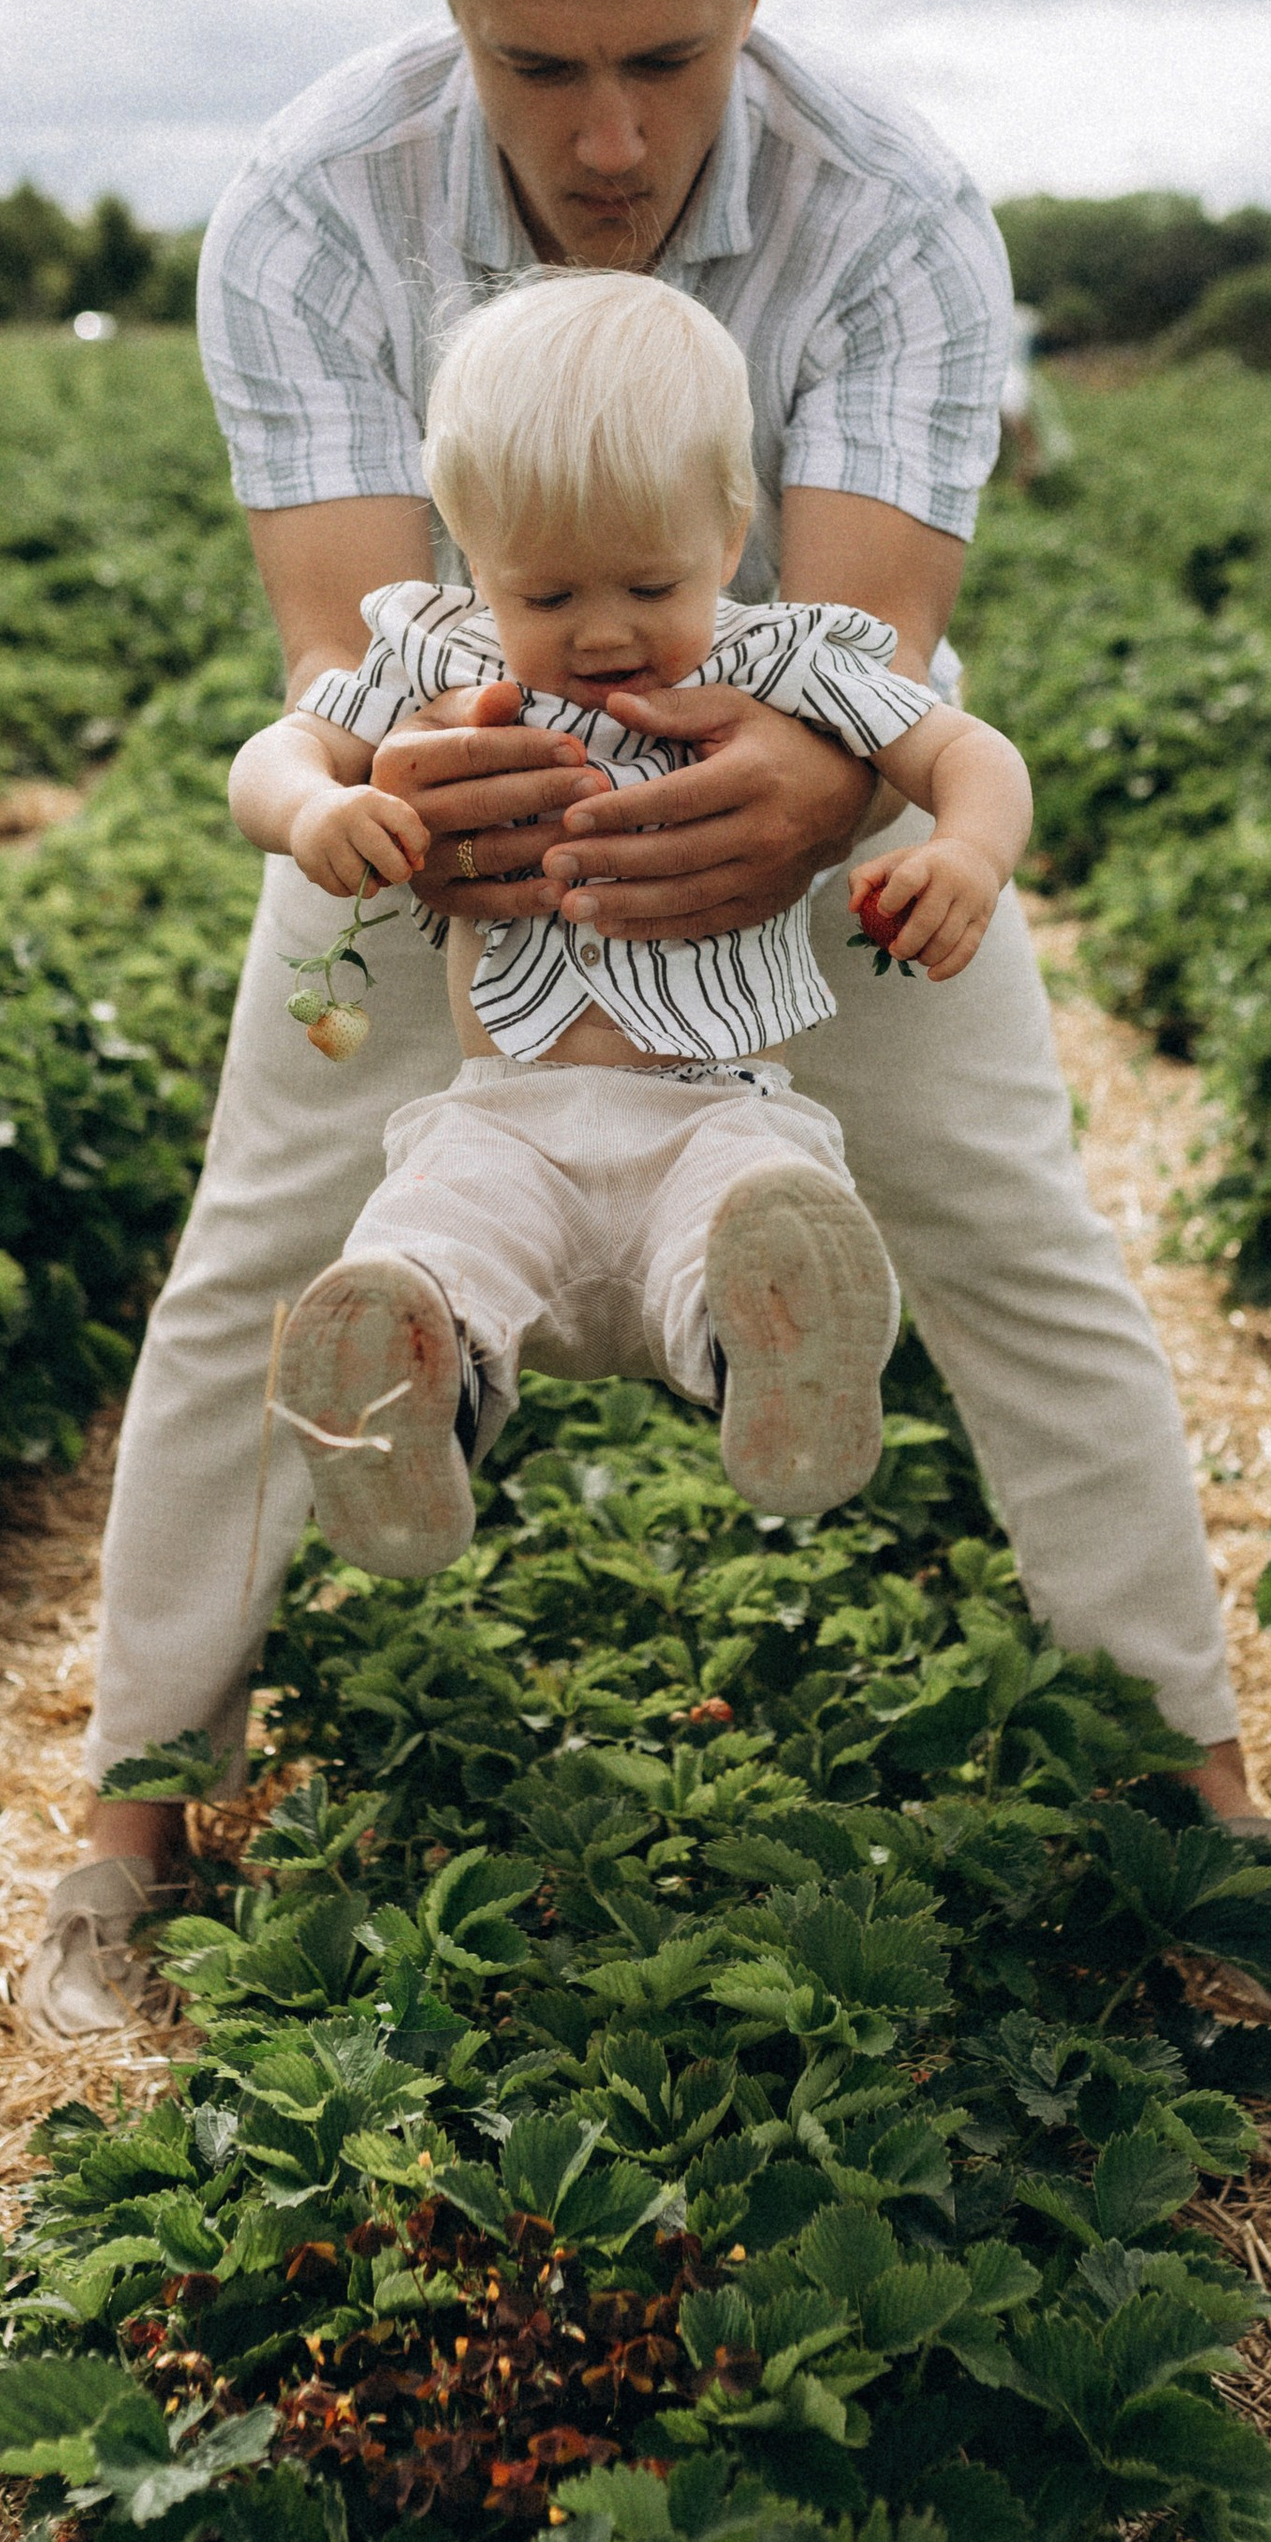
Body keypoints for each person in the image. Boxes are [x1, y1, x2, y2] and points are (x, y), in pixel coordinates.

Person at [21, 0, 1271, 2035]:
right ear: (448, 4)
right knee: (265, 1232)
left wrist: (831, 797)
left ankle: (1202, 1810)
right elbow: (337, 645)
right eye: (535, 69)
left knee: (1010, 1235)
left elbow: (871, 656)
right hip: (454, 814)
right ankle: (137, 1815)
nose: (606, 136)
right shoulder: (313, 203)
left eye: (663, 55)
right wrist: (416, 786)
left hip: (796, 795)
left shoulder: (893, 213)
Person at [228, 267, 1033, 1569]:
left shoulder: (780, 658)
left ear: (728, 532)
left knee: (758, 1214)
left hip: (716, 1104)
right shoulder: (442, 652)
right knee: (427, 1238)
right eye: (546, 598)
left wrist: (971, 854)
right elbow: (274, 754)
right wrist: (318, 812)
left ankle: (772, 1367)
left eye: (651, 587)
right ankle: (404, 1398)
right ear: (468, 552)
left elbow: (968, 752)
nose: (603, 635)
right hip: (506, 1115)